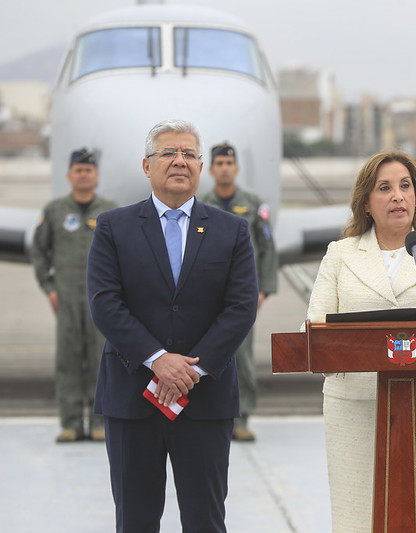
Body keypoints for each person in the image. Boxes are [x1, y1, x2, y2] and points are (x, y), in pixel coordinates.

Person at [86, 119, 258, 532]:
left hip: (205, 400)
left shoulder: (232, 229)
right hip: (133, 399)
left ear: (201, 167)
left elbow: (241, 306)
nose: (179, 161)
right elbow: (105, 303)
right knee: (136, 520)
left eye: (189, 154)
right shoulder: (113, 227)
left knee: (205, 520)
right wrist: (158, 359)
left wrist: (191, 370)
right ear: (147, 166)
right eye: (168, 153)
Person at [306, 149, 416, 532]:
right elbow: (315, 330)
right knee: (358, 515)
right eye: (385, 188)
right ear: (366, 203)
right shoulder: (340, 254)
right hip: (357, 404)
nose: (398, 196)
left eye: (405, 186)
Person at [31, 148, 117, 443]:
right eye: (78, 170)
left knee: (101, 359)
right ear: (69, 175)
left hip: (102, 301)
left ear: (96, 176)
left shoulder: (110, 211)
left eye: (88, 170)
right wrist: (49, 287)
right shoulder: (55, 211)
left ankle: (98, 421)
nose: (83, 175)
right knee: (68, 359)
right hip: (67, 298)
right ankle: (70, 422)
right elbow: (39, 251)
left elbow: (125, 254)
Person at [199, 142, 278, 441]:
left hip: (240, 297)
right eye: (218, 164)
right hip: (207, 296)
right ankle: (208, 414)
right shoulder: (200, 204)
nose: (223, 169)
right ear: (211, 169)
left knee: (241, 356)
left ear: (236, 168)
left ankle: (242, 416)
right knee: (204, 354)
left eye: (228, 164)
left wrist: (262, 290)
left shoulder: (254, 205)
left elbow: (267, 249)